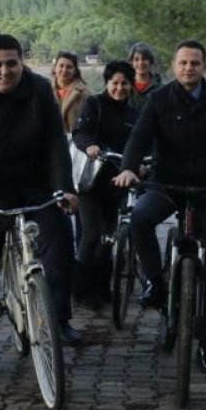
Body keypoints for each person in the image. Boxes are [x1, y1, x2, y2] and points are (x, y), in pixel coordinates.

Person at [0, 34, 81, 379]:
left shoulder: (40, 90)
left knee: (59, 245)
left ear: (21, 62)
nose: (4, 71)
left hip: (35, 186)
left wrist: (64, 190)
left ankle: (57, 319)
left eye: (11, 63)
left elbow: (56, 143)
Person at [112, 39, 206, 375]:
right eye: (183, 63)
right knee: (139, 218)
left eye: (195, 63)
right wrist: (128, 167)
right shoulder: (158, 99)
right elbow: (138, 139)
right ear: (173, 66)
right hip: (166, 183)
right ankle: (156, 281)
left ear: (204, 66)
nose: (189, 68)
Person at [71, 61, 138, 305]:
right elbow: (80, 132)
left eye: (124, 84)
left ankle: (102, 287)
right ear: (107, 83)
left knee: (110, 237)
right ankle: (81, 289)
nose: (119, 88)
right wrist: (90, 145)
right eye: (115, 83)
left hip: (118, 182)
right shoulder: (94, 104)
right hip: (91, 182)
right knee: (91, 235)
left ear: (131, 86)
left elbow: (141, 141)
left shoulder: (134, 114)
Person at [52, 51, 91, 134]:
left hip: (75, 141)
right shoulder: (45, 90)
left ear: (75, 71)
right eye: (61, 66)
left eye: (69, 67)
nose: (64, 70)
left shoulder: (84, 93)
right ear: (55, 68)